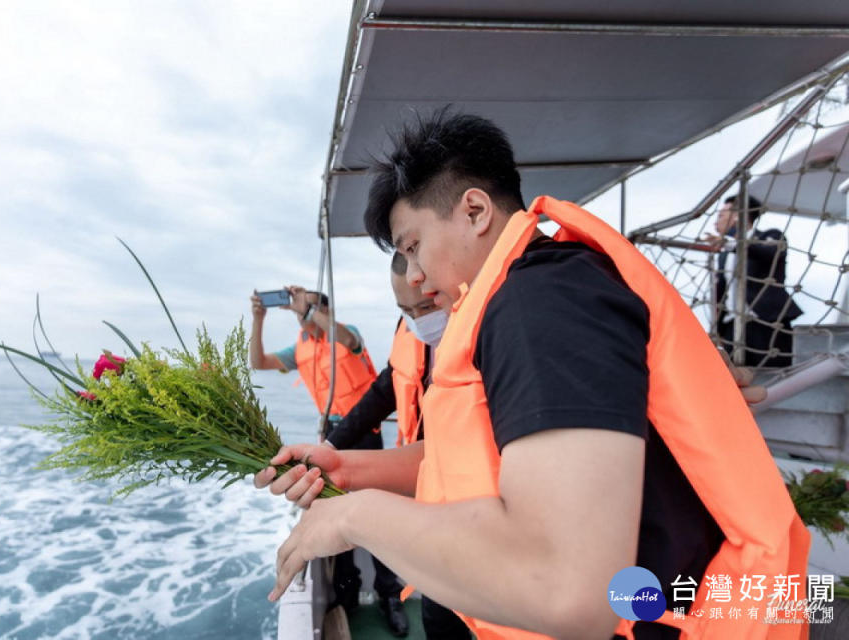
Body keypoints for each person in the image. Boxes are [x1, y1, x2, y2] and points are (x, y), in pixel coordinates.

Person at [256, 112, 808, 640]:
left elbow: (570, 588)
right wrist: (346, 467)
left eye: (413, 247)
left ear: (475, 211)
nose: (417, 278)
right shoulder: (540, 293)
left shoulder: (540, 304)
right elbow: (494, 452)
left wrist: (354, 518)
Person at [323, 253, 470, 640]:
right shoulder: (407, 330)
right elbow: (385, 388)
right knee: (440, 610)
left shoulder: (479, 327)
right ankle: (393, 601)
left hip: (469, 489)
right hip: (421, 480)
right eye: (404, 308)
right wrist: (331, 445)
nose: (418, 318)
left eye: (425, 305)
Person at [248, 286, 406, 636]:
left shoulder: (346, 335)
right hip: (332, 437)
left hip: (364, 430)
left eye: (307, 308)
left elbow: (341, 334)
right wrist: (259, 319)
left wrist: (310, 311)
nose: (299, 313)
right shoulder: (300, 347)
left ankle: (390, 596)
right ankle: (345, 595)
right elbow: (258, 362)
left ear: (321, 309)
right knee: (337, 514)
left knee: (379, 511)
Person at [704, 194, 803, 367]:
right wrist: (717, 328)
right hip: (732, 326)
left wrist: (731, 244)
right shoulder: (724, 255)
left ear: (738, 215)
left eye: (721, 215)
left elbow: (770, 253)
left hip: (766, 321)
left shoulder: (770, 236)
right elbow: (721, 291)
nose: (716, 221)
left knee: (774, 371)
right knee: (731, 376)